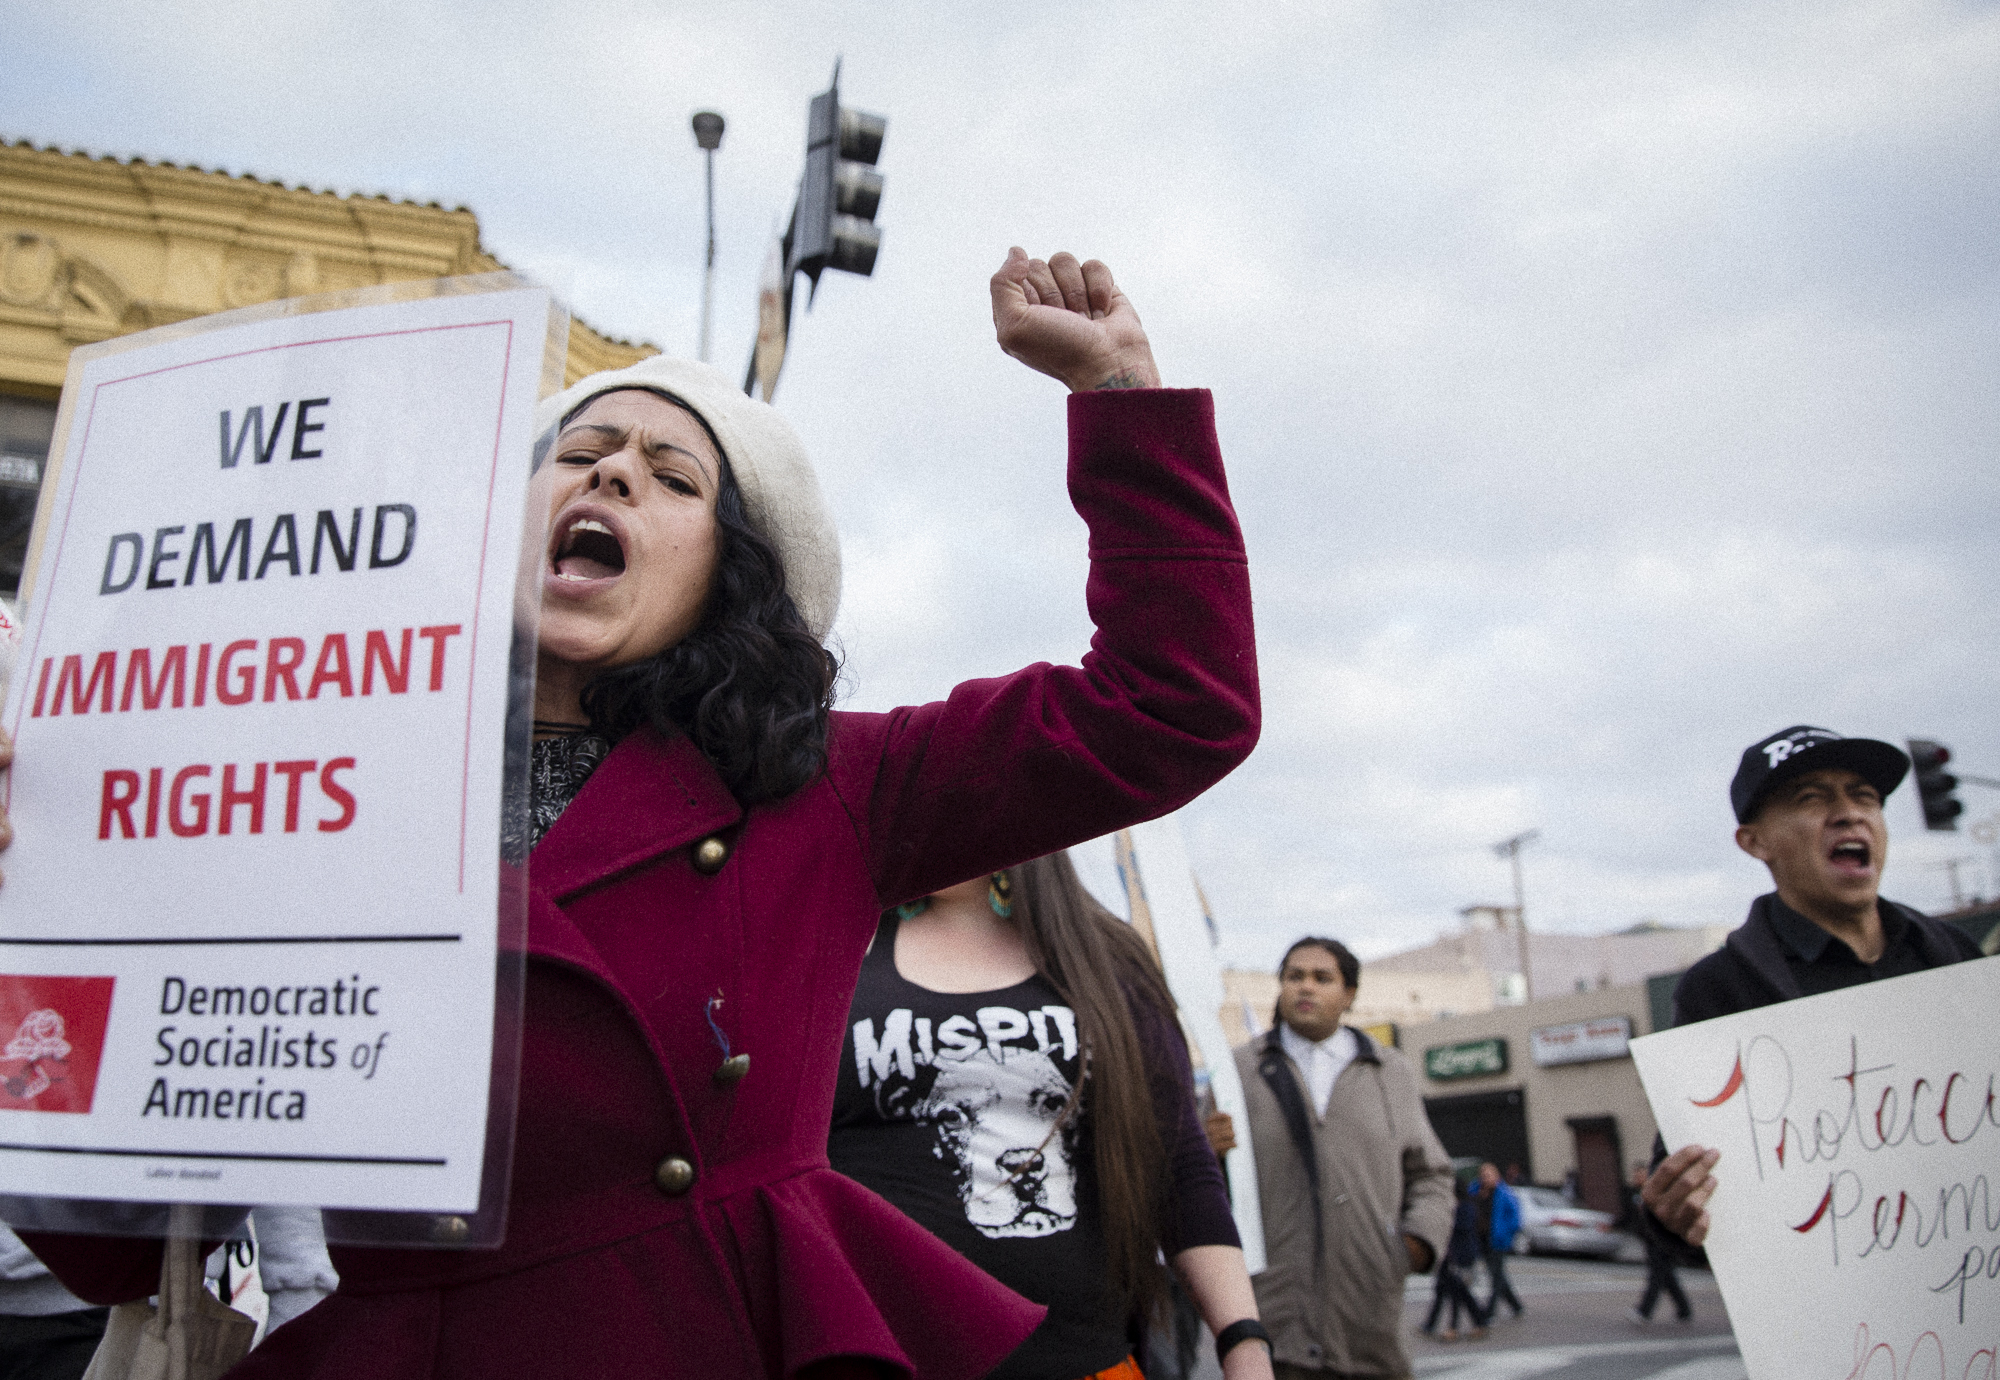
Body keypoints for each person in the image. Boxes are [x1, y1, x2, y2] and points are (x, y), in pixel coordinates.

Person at [7, 246, 1261, 1380]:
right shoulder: (288, 799)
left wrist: (1119, 399)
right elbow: (107, 1249)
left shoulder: (828, 781)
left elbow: (1172, 705)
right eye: (580, 450)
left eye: (671, 477)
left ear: (730, 574)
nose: (612, 467)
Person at [829, 852, 1274, 1380]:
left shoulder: (1107, 958)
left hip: (1083, 1357)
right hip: (876, 1357)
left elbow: (1176, 1162)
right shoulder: (833, 945)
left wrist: (1243, 1342)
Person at [1643, 725, 1983, 1248]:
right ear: (1755, 842)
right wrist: (1671, 1211)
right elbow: (1688, 1181)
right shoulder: (1720, 990)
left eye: (1864, 796)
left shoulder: (1955, 958)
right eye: (1811, 798)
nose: (1849, 813)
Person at [1233, 938, 1453, 1380]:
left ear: (1349, 994)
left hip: (1368, 1323)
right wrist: (1208, 1142)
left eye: (1322, 978)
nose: (1305, 987)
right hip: (1274, 1322)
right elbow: (1198, 1178)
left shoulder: (1389, 1070)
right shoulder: (1242, 1069)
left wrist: (1414, 1245)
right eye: (1294, 976)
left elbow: (1431, 1174)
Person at [1420, 1185, 1487, 1343]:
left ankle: (1456, 1327)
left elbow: (1461, 1228)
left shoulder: (1464, 1208)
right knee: (1444, 1290)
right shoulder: (1453, 1208)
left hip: (1460, 1257)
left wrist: (1447, 1218)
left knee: (1458, 1292)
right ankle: (1434, 1325)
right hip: (1448, 1256)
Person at [1622, 1163, 1688, 1325]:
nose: (1637, 1178)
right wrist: (1613, 1225)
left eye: (1641, 1174)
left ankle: (1644, 1312)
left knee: (1656, 1276)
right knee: (1667, 1277)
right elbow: (1631, 1217)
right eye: (1636, 1175)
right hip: (1649, 1240)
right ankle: (1684, 1309)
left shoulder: (1658, 1192)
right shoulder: (1635, 1194)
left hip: (1661, 1240)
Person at [1470, 1163, 1522, 1322]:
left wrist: (1504, 1233)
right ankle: (1515, 1305)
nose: (1485, 1178)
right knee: (1497, 1275)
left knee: (1496, 1276)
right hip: (1481, 1239)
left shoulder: (1504, 1193)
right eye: (1483, 1175)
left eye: (1489, 1175)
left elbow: (1515, 1219)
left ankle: (1489, 1311)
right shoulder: (1474, 1191)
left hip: (1498, 1241)